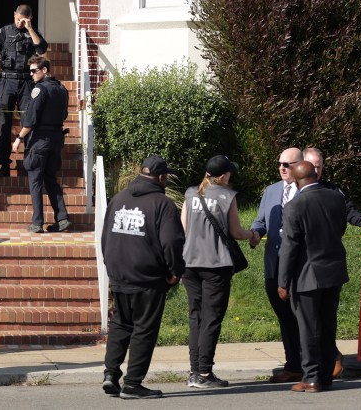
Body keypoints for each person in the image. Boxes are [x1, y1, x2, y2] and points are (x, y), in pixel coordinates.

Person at [100, 155, 185, 400]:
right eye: (165, 176)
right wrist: (175, 271)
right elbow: (172, 242)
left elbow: (106, 237)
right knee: (144, 329)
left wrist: (111, 267)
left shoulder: (118, 199)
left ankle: (110, 374)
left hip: (119, 275)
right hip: (147, 278)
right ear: (160, 177)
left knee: (120, 324)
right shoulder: (162, 204)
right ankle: (133, 383)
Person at [180, 155, 257, 389]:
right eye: (229, 173)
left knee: (196, 317)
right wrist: (252, 235)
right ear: (223, 176)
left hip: (189, 263)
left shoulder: (191, 193)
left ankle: (194, 371)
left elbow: (183, 227)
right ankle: (204, 372)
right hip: (216, 264)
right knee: (212, 318)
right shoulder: (227, 196)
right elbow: (235, 232)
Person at [277, 160, 349, 393]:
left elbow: (289, 247)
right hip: (334, 270)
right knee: (328, 325)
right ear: (315, 176)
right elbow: (340, 229)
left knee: (308, 328)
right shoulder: (336, 197)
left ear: (297, 182)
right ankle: (326, 376)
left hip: (307, 274)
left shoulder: (295, 205)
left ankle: (311, 378)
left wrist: (283, 281)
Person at [304, 146, 361, 377]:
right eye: (311, 166)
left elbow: (349, 211)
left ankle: (331, 357)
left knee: (325, 316)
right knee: (306, 318)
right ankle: (305, 363)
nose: (315, 170)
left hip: (327, 262)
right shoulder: (295, 191)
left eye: (319, 166)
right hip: (301, 263)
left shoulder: (334, 192)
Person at [249, 147, 305, 383]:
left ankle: (318, 360)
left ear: (300, 166)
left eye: (287, 164)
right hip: (274, 264)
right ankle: (293, 364)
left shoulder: (308, 191)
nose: (282, 168)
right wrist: (254, 233)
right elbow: (261, 221)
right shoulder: (271, 191)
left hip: (299, 265)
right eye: (280, 164)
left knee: (303, 315)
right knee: (284, 316)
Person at [0, 4, 47, 178]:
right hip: (6, 81)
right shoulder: (4, 32)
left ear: (29, 18)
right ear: (14, 15)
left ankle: (29, 163)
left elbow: (41, 49)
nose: (19, 23)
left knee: (28, 122)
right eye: (17, 19)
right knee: (4, 124)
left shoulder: (32, 33)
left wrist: (29, 28)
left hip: (26, 83)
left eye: (23, 20)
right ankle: (4, 165)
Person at [12, 55, 70, 233]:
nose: (31, 74)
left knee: (35, 180)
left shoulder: (39, 90)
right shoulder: (62, 88)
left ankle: (37, 222)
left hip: (40, 141)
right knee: (51, 179)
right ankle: (62, 218)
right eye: (30, 71)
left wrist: (19, 138)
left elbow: (30, 119)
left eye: (34, 71)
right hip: (56, 139)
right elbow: (65, 115)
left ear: (44, 70)